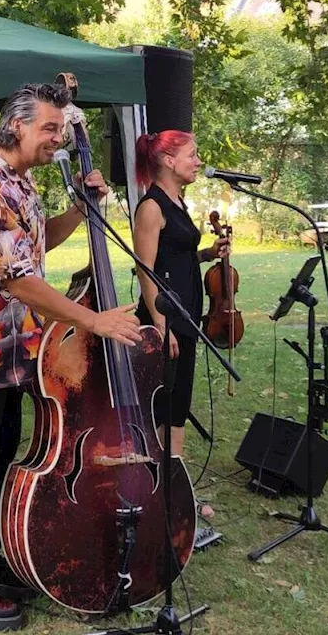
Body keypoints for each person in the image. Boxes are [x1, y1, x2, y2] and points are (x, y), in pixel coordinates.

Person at [0, 84, 143, 631]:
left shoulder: (20, 184)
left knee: (0, 460)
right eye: (51, 129)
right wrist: (94, 320)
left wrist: (80, 208)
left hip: (12, 350)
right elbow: (19, 279)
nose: (60, 140)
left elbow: (35, 246)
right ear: (17, 126)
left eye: (62, 130)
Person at [130, 130, 229, 517]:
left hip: (185, 318)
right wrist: (160, 324)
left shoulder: (178, 202)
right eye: (192, 154)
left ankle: (174, 490)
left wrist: (206, 252)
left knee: (178, 404)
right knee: (164, 406)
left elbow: (177, 257)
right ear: (169, 161)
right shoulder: (151, 207)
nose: (198, 161)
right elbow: (146, 269)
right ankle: (163, 493)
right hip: (165, 320)